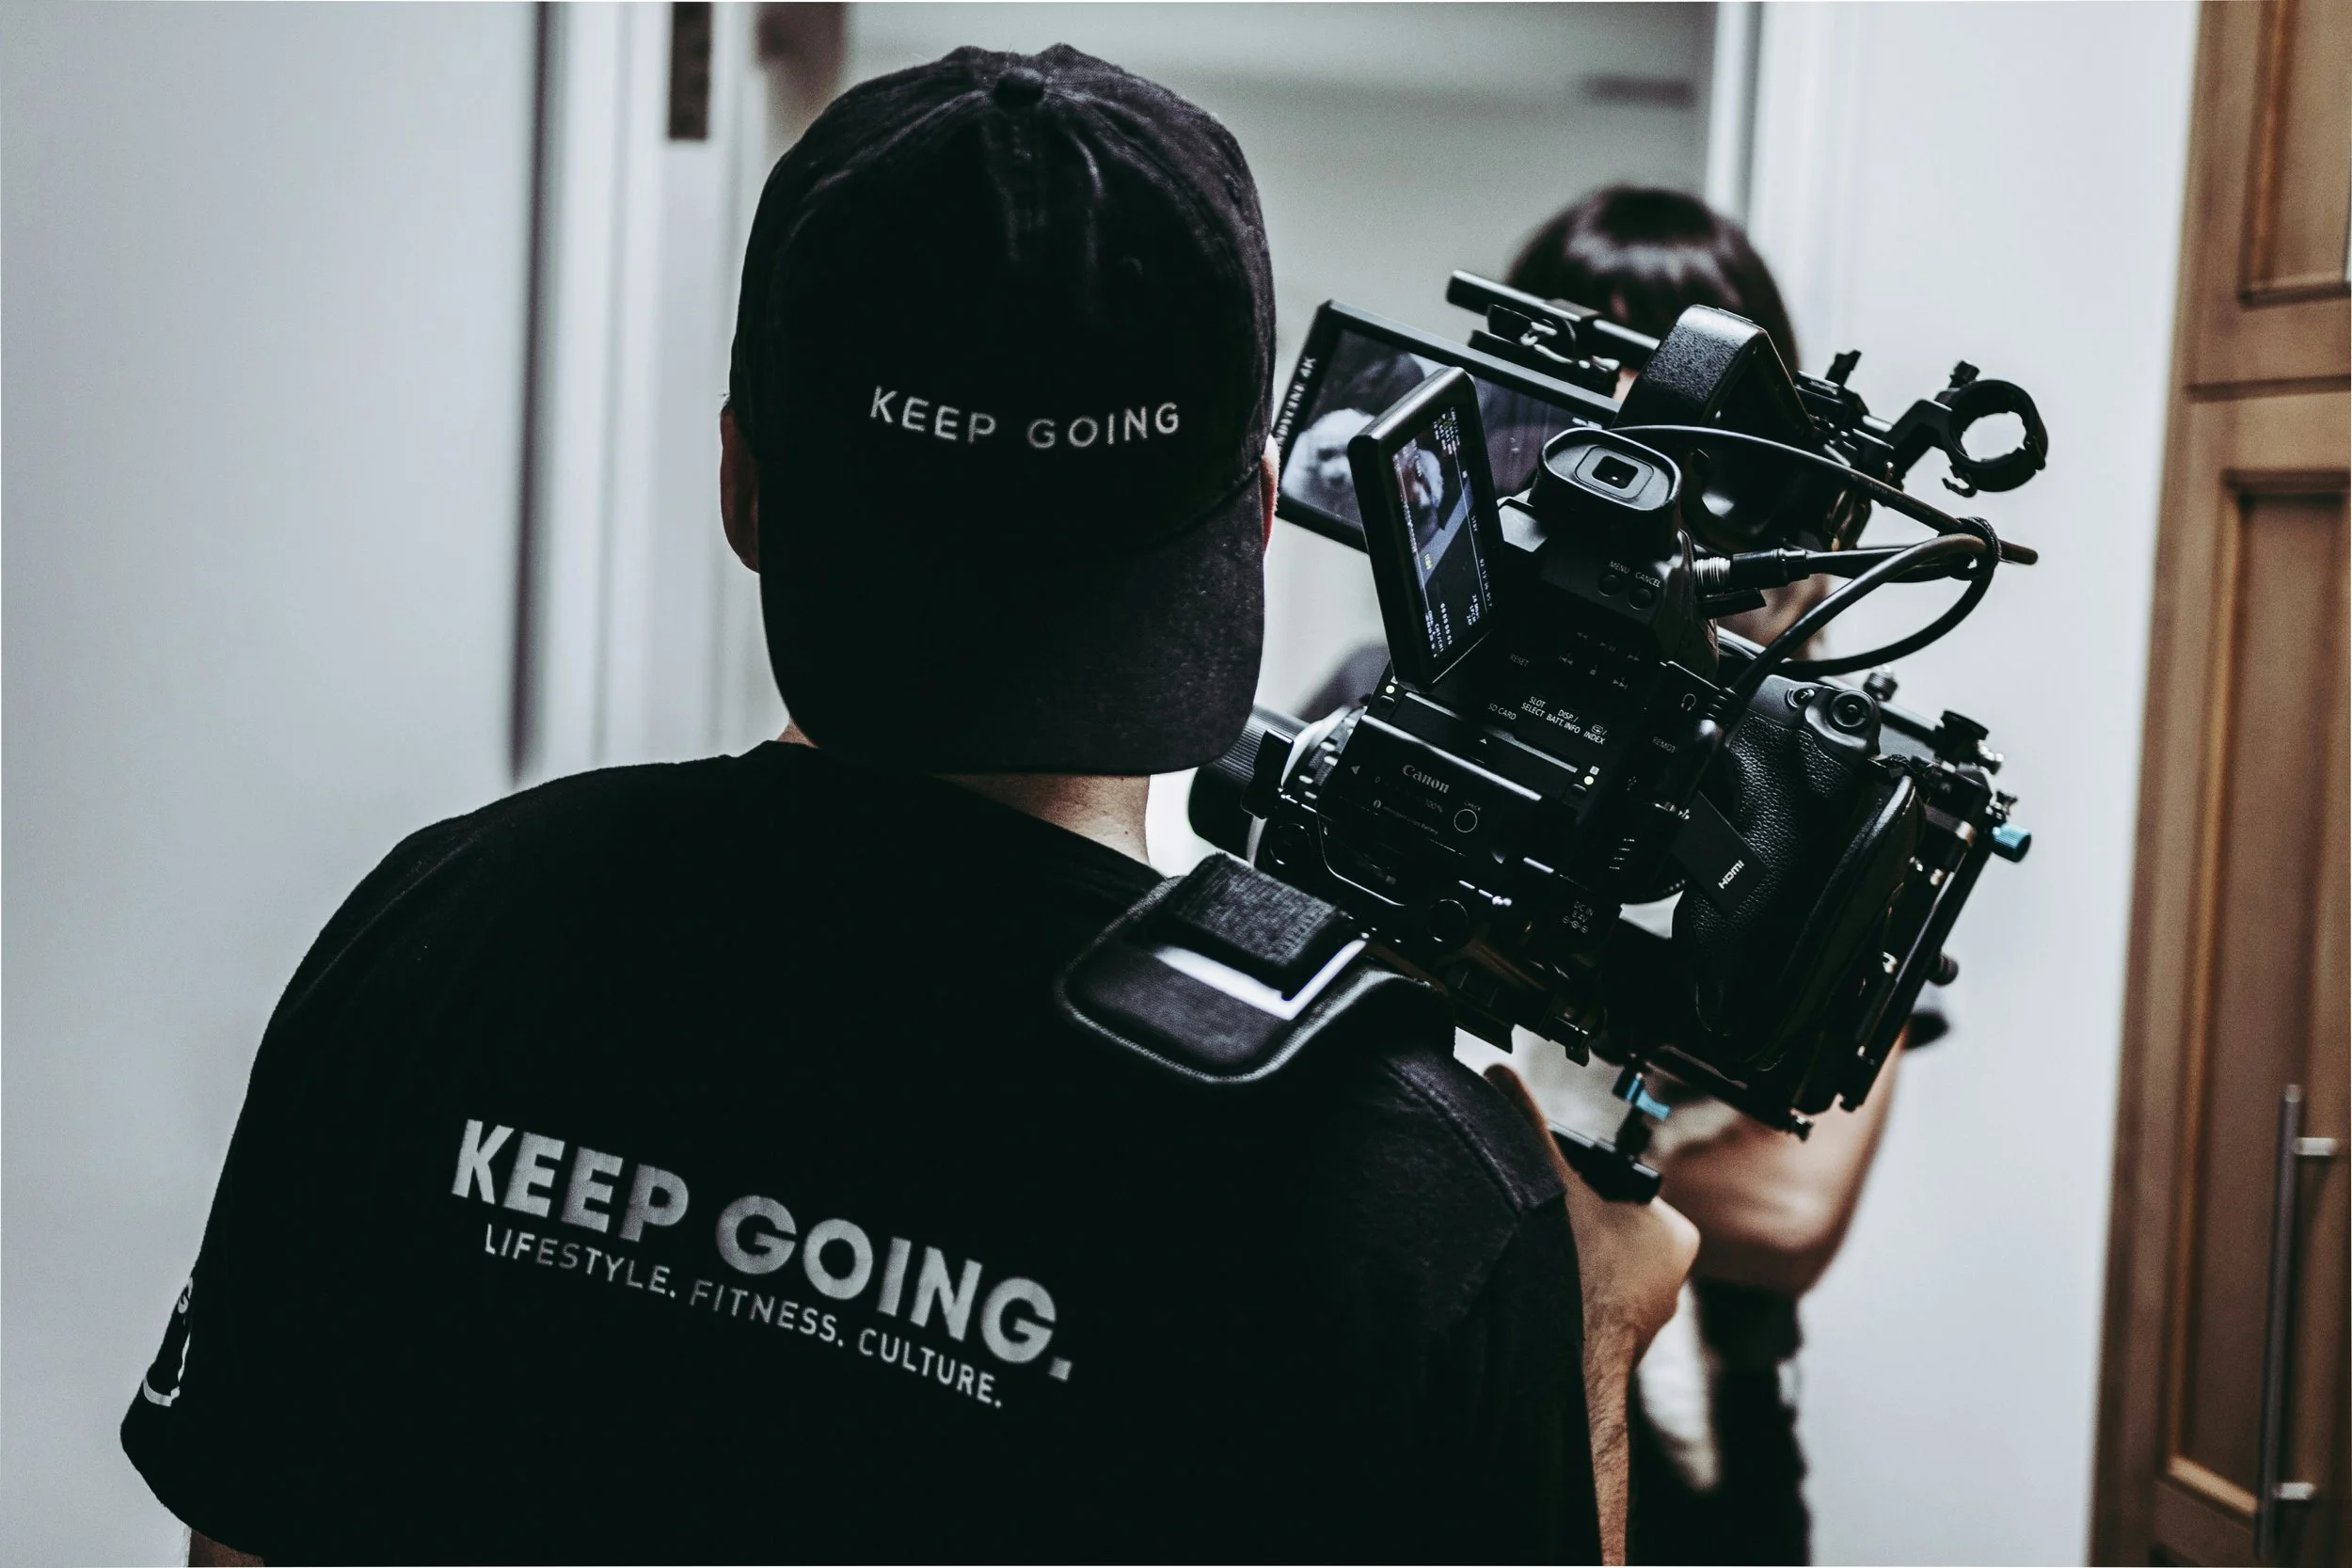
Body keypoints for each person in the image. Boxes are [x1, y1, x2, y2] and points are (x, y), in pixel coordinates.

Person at [121, 49, 1696, 1564]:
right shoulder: (1411, 1187)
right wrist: (1584, 1339)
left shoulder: (437, 933)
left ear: (744, 481)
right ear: (1259, 517)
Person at [1506, 185, 1909, 1566]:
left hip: (1701, 1456)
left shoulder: (1835, 770)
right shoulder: (1412, 679)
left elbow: (1789, 1210)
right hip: (1448, 1389)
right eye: (1594, 379)